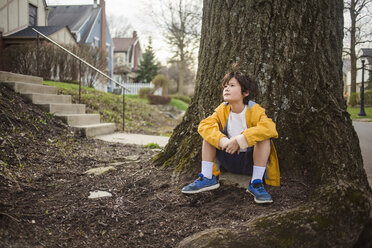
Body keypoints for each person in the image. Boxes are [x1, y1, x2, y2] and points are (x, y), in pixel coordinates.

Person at [181, 70, 280, 204]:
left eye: (232, 85)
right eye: (225, 86)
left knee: (264, 139)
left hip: (250, 161)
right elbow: (205, 125)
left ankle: (256, 183)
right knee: (209, 136)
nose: (226, 88)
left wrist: (240, 140)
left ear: (245, 92)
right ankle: (207, 177)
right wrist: (224, 141)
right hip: (228, 157)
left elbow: (269, 128)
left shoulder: (255, 110)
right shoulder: (222, 109)